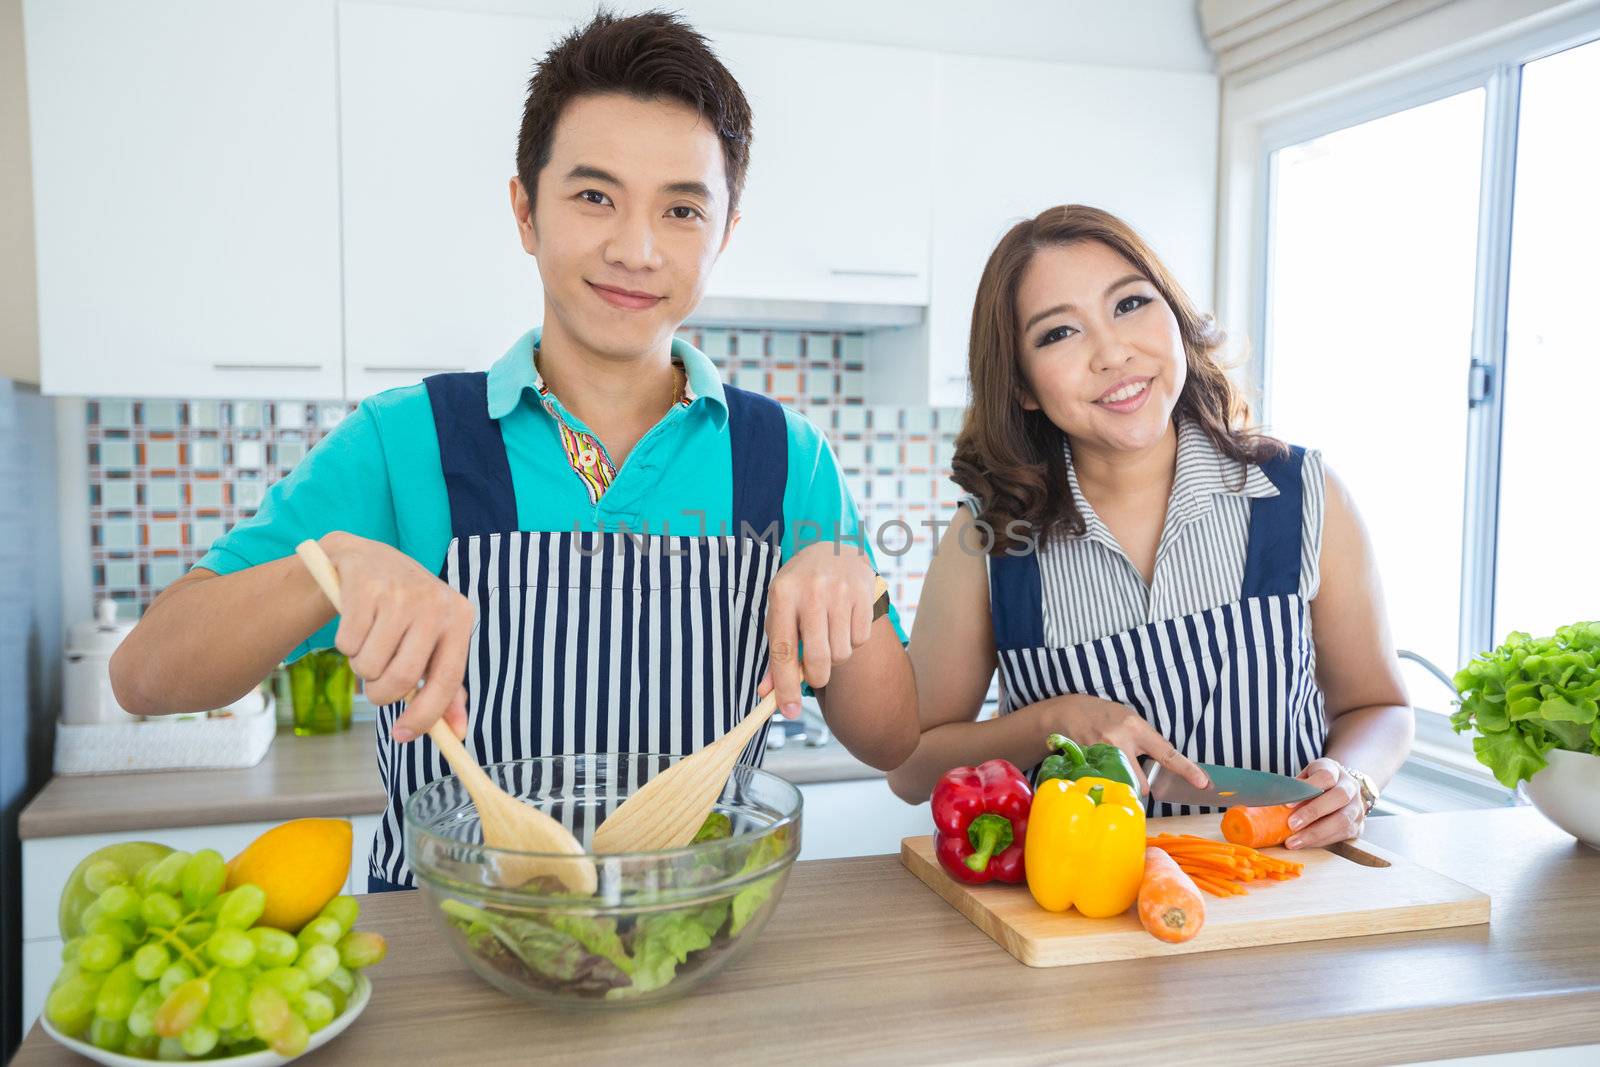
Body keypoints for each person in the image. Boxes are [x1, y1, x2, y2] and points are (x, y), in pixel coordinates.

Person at [111, 11, 918, 889]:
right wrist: (326, 565)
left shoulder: (784, 458)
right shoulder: (405, 439)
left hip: (695, 956)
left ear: (723, 233)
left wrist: (853, 585)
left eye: (681, 209)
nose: (635, 249)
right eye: (594, 196)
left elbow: (891, 739)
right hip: (448, 961)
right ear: (526, 211)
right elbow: (146, 674)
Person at [887, 205, 1412, 849]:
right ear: (1022, 386)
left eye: (1130, 304)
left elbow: (1380, 708)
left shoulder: (1300, 493)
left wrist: (1355, 780)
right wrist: (1052, 721)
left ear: (1176, 320)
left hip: (1291, 897)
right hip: (1078, 923)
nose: (1112, 353)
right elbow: (911, 768)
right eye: (1059, 334)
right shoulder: (988, 541)